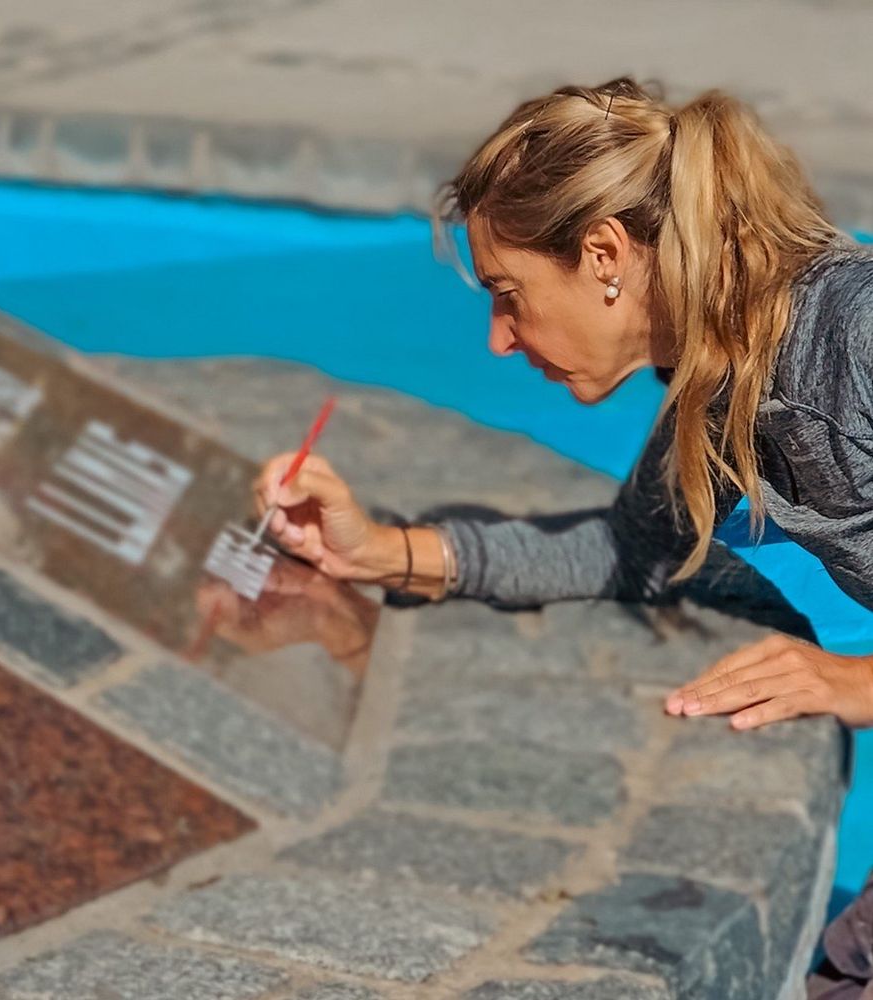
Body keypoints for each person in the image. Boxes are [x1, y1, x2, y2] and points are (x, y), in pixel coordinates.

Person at [251, 77, 873, 992]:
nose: (500, 339)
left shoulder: (853, 332)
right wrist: (380, 552)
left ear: (604, 254)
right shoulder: (720, 383)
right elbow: (624, 550)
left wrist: (859, 680)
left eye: (510, 293)